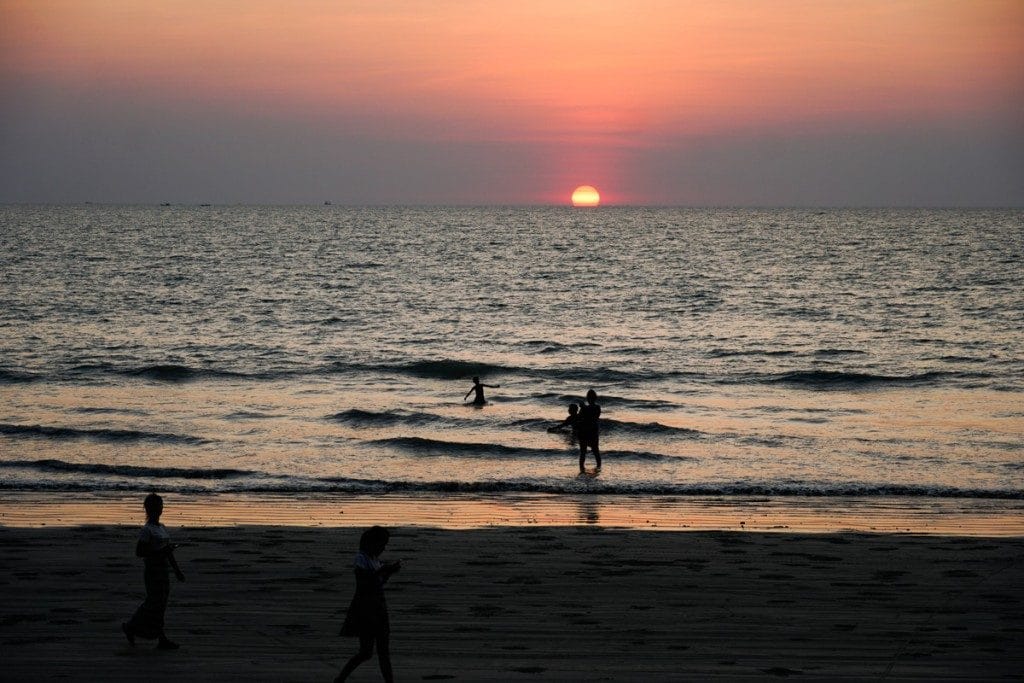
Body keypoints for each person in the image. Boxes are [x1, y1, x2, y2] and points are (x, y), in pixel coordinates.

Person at [336, 526, 401, 683]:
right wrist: (382, 571)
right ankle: (340, 678)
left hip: (378, 607)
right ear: (372, 543)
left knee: (382, 651)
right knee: (366, 652)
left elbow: (378, 583)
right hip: (365, 610)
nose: (383, 548)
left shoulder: (374, 559)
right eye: (382, 544)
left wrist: (388, 573)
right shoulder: (361, 558)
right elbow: (364, 582)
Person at [122, 492, 185, 650]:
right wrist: (161, 553)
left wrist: (177, 570)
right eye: (156, 507)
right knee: (153, 603)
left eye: (160, 506)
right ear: (149, 510)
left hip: (163, 569)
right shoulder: (147, 530)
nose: (159, 509)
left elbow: (168, 551)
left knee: (160, 603)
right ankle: (133, 627)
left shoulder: (161, 527)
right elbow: (140, 552)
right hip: (152, 570)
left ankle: (152, 634)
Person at [577, 389, 602, 472]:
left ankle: (582, 469)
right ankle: (598, 468)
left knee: (584, 452)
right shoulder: (596, 407)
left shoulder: (594, 408)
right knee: (595, 451)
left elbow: (590, 416)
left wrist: (583, 408)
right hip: (591, 432)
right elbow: (581, 417)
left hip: (587, 432)